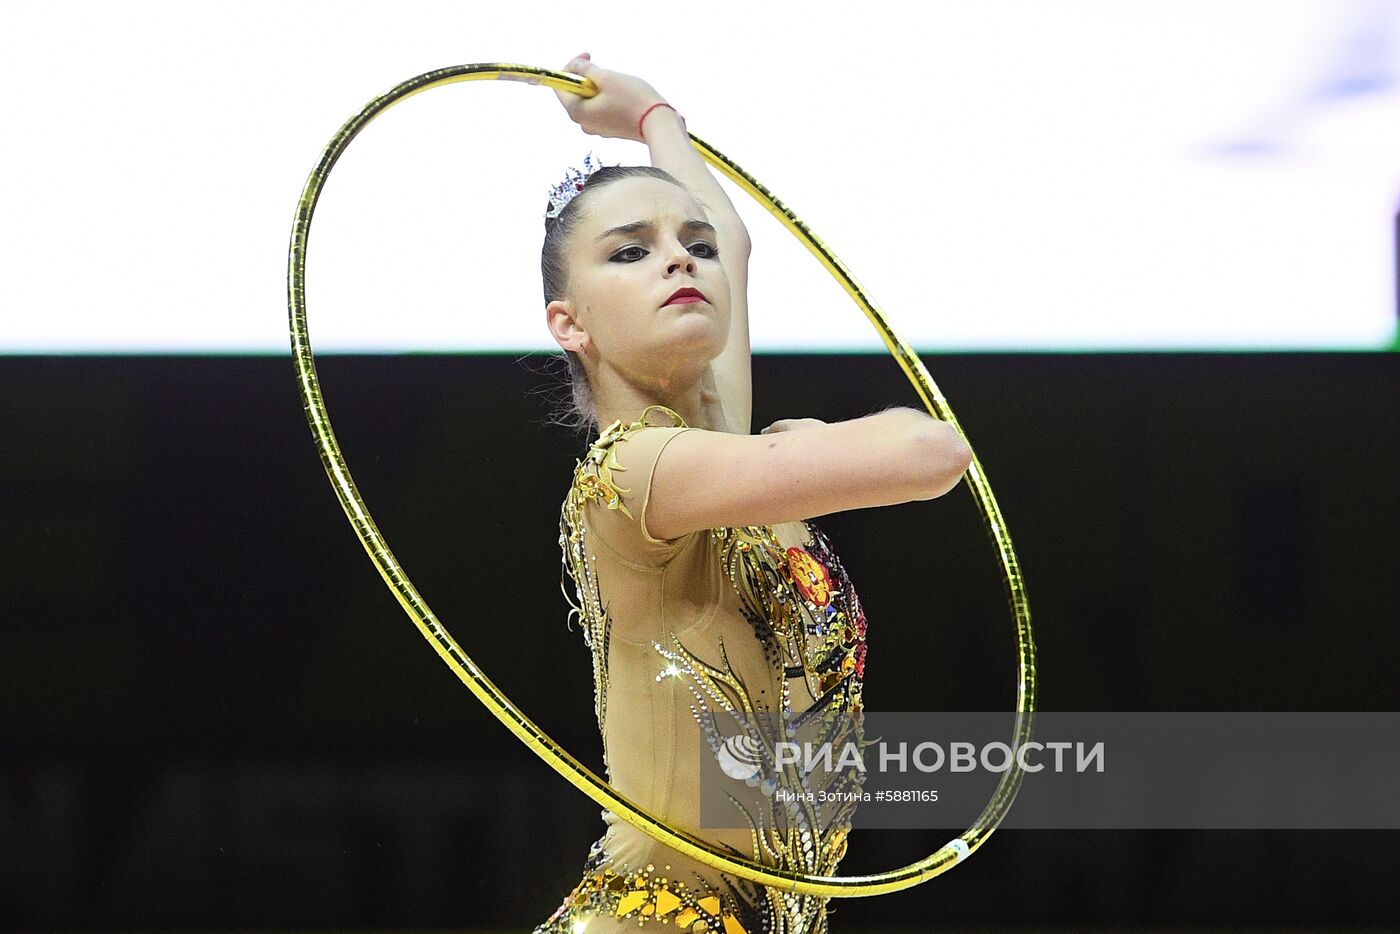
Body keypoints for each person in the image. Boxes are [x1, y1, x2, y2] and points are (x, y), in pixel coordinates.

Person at [533, 54, 973, 933]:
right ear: (569, 323)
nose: (678, 261)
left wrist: (653, 114)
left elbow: (729, 233)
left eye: (688, 248)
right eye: (630, 253)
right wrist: (810, 446)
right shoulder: (636, 474)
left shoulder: (715, 441)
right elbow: (932, 451)